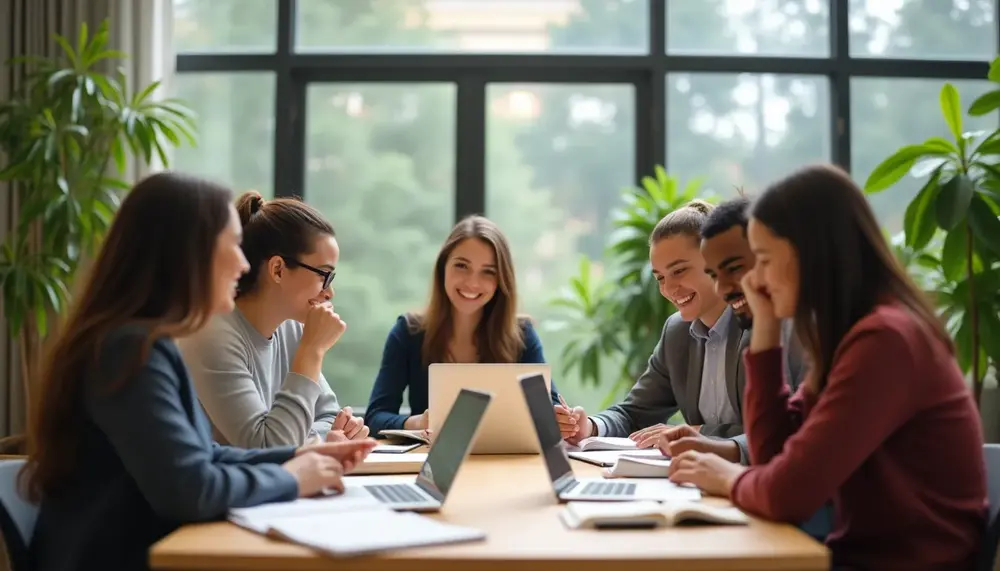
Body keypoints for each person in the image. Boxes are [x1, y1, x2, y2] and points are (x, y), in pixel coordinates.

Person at [24, 172, 376, 571]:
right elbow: (189, 489)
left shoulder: (146, 343)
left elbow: (203, 455)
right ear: (186, 256)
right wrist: (295, 476)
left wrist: (298, 455)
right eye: (232, 246)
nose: (244, 263)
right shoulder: (127, 351)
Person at [667, 164, 987, 570]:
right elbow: (774, 456)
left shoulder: (887, 339)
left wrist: (725, 476)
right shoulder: (850, 335)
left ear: (810, 252)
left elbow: (788, 494)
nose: (754, 281)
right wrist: (764, 326)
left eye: (762, 259)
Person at [555, 200, 756, 463]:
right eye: (660, 277)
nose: (669, 289)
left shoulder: (761, 325)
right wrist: (590, 427)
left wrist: (700, 434)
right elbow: (635, 413)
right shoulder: (677, 332)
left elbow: (779, 432)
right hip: (704, 481)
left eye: (679, 270)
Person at [179, 191, 368, 448]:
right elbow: (267, 446)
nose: (329, 292)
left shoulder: (290, 327)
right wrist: (311, 351)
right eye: (324, 274)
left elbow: (328, 415)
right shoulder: (213, 335)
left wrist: (320, 437)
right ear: (278, 269)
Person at [364, 215, 561, 435]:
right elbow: (376, 417)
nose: (472, 283)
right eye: (461, 266)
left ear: (501, 279)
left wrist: (566, 419)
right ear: (443, 267)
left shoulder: (522, 334)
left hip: (506, 462)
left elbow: (550, 410)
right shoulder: (408, 332)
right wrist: (418, 423)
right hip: (431, 463)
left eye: (488, 271)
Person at [652, 196, 806, 462]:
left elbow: (794, 446)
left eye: (734, 268)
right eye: (714, 273)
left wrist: (706, 440)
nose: (723, 288)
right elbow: (777, 439)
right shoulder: (763, 324)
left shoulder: (805, 329)